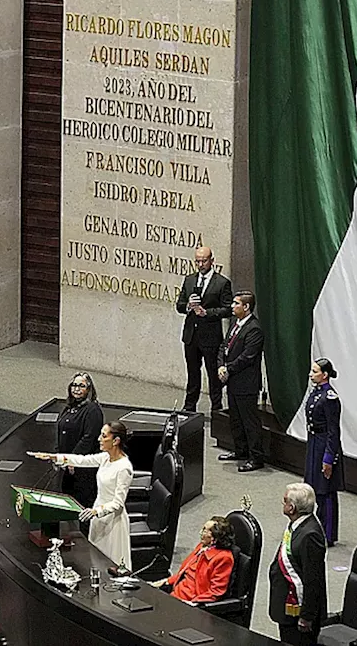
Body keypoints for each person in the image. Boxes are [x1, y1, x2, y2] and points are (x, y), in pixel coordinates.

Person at [29, 420, 134, 571]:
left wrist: (96, 511)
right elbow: (82, 460)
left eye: (103, 436)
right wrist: (53, 457)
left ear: (116, 441)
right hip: (97, 517)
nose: (99, 439)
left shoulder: (124, 468)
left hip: (112, 522)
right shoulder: (105, 457)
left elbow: (118, 503)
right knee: (95, 560)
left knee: (111, 564)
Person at [175, 246, 234, 413]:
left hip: (210, 336)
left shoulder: (222, 283)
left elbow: (227, 309)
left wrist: (206, 312)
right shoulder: (189, 280)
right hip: (191, 335)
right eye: (198, 261)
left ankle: (216, 408)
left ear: (212, 261)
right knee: (193, 373)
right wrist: (188, 306)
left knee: (213, 374)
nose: (201, 264)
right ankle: (189, 407)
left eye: (204, 261)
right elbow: (179, 305)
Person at [267, 483, 327, 645]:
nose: (283, 503)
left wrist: (307, 616)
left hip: (298, 613)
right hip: (287, 606)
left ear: (292, 508)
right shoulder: (298, 525)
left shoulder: (310, 535)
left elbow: (313, 580)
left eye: (285, 500)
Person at [217, 291, 265, 472]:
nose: (232, 306)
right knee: (235, 419)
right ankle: (240, 450)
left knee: (249, 421)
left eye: (236, 304)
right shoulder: (235, 324)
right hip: (232, 380)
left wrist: (228, 368)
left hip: (246, 383)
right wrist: (221, 365)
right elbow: (224, 346)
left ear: (246, 307)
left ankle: (256, 457)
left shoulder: (254, 329)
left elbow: (248, 357)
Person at [303, 358, 344, 545]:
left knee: (325, 491)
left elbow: (333, 430)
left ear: (325, 375)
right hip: (313, 443)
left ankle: (328, 533)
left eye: (315, 371)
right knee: (313, 487)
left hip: (324, 444)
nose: (311, 374)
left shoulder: (330, 397)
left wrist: (328, 458)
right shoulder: (317, 393)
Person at [154, 516, 236, 605]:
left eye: (205, 530)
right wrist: (166, 581)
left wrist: (193, 603)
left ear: (214, 538)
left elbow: (215, 592)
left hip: (190, 601)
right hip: (177, 593)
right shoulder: (202, 547)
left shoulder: (224, 558)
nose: (200, 532)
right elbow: (186, 572)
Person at [55, 372, 103, 509]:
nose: (76, 389)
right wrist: (58, 455)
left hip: (83, 467)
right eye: (74, 385)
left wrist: (73, 459)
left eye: (81, 386)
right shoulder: (69, 408)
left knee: (83, 503)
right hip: (67, 463)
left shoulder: (93, 410)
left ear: (88, 389)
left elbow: (89, 437)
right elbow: (60, 430)